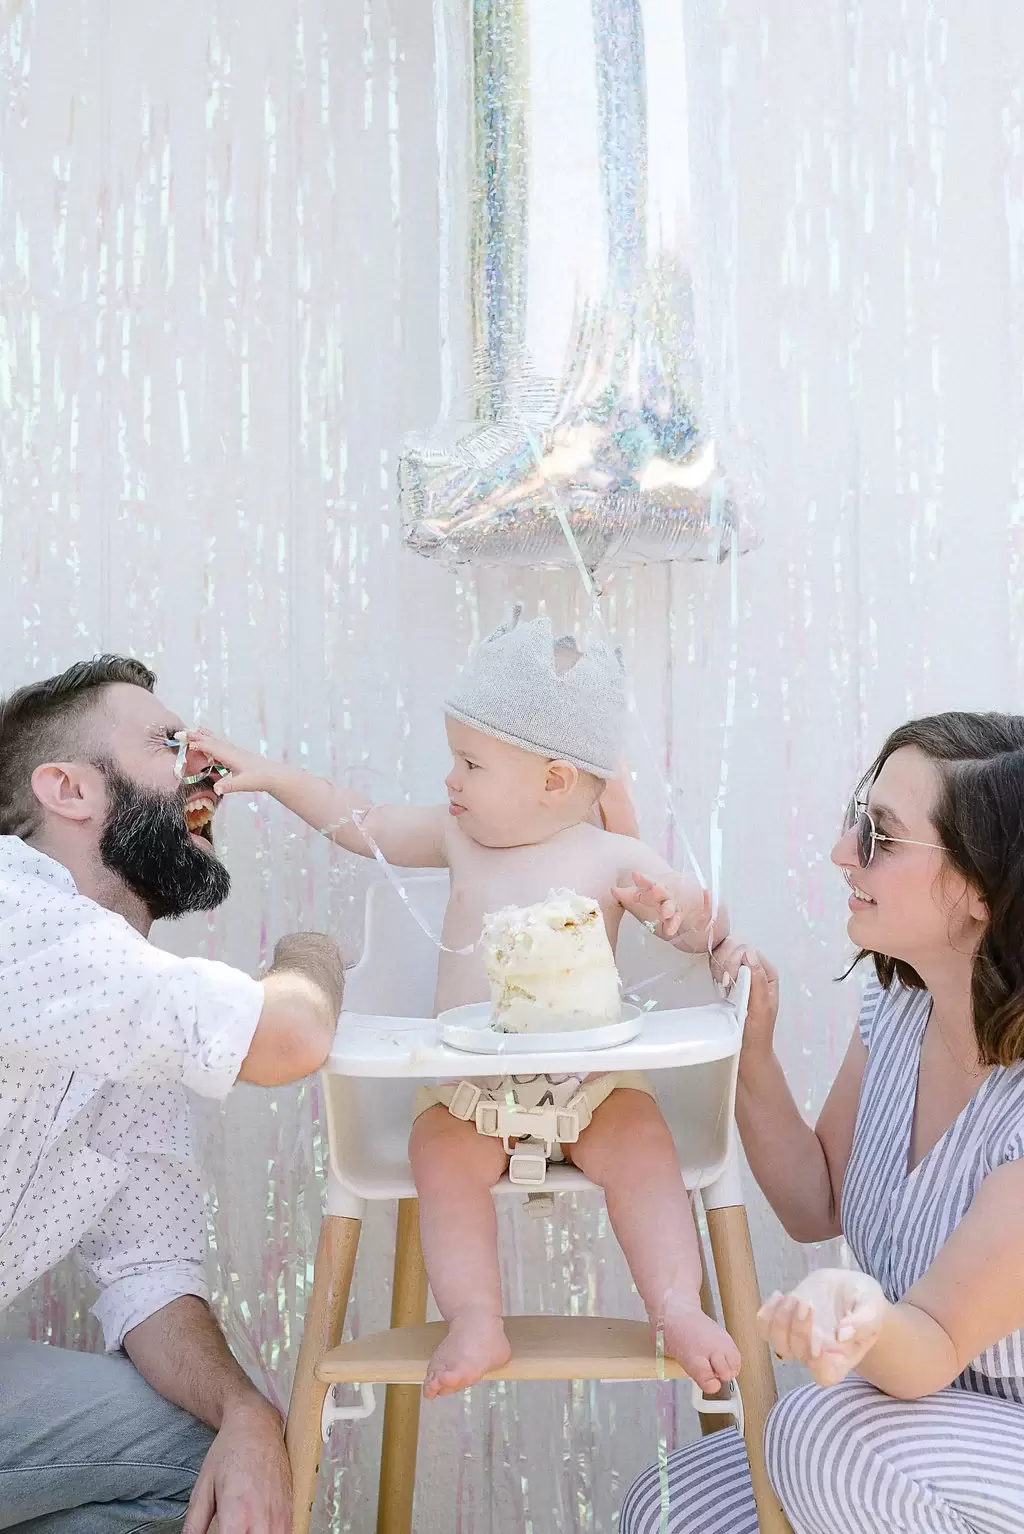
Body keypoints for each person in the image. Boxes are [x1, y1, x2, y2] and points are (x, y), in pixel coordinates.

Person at [191, 607, 739, 1403]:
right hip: (469, 1096)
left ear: (554, 781)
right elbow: (363, 823)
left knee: (645, 1150)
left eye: (471, 764)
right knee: (439, 1158)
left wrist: (680, 909)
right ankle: (477, 1318)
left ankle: (676, 1306)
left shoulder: (615, 855)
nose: (451, 779)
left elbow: (700, 930)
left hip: (595, 1088)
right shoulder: (458, 840)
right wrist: (273, 776)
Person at [621, 711, 1024, 1534]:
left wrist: (857, 1310)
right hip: (910, 1428)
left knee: (819, 1436)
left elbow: (934, 1344)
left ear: (982, 891)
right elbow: (816, 1202)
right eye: (856, 820)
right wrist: (751, 1048)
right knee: (667, 1510)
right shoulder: (899, 1009)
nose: (844, 852)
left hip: (987, 1437)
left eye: (880, 836)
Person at [0, 655, 345, 1534]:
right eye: (168, 743)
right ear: (69, 789)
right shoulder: (13, 908)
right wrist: (313, 952)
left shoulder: (123, 1008)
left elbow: (147, 1270)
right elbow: (292, 1034)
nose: (208, 768)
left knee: (217, 1457)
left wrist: (243, 1411)